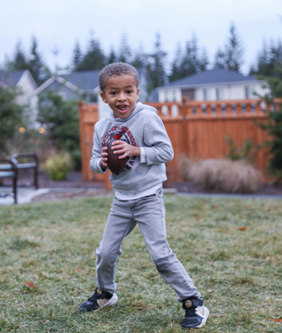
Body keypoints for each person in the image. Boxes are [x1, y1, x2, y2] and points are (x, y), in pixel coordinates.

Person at [79, 63, 209, 329]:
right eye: (114, 93)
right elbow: (94, 160)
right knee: (105, 252)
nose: (122, 98)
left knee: (161, 255)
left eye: (128, 91)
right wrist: (101, 163)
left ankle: (193, 301)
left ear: (137, 92)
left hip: (149, 196)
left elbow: (166, 152)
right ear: (103, 97)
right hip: (122, 200)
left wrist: (136, 150)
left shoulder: (147, 117)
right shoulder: (101, 127)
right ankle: (106, 293)